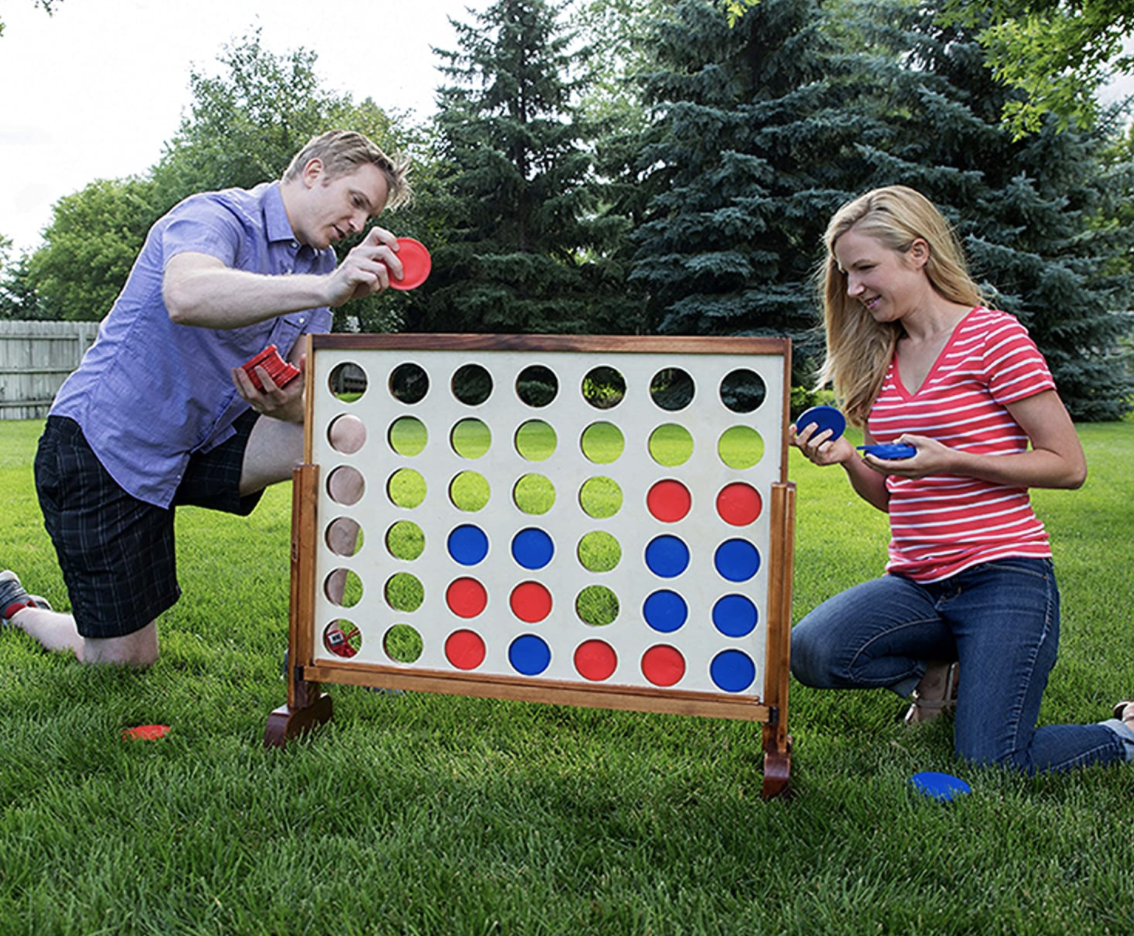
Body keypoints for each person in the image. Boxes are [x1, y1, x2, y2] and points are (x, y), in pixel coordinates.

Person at [0, 130, 411, 668]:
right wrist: (327, 287)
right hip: (105, 449)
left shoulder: (319, 267)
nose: (358, 224)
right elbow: (187, 295)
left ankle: (316, 635)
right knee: (121, 661)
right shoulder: (215, 216)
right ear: (314, 172)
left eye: (369, 214)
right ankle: (17, 607)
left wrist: (285, 403)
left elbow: (305, 404)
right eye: (356, 202)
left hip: (203, 442)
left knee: (347, 432)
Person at [789, 184, 1134, 774]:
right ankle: (936, 667)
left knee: (992, 761)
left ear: (918, 253)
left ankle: (1123, 733)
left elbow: (1068, 465)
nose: (853, 289)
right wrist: (850, 458)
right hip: (918, 582)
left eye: (866, 268)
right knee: (813, 652)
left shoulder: (994, 338)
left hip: (1005, 577)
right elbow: (893, 496)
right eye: (846, 274)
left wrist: (954, 460)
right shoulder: (878, 360)